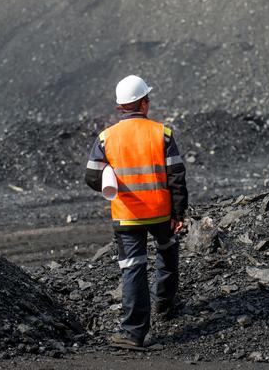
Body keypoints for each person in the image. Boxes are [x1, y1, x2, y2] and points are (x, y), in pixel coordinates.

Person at [85, 74, 188, 349]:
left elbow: (92, 177)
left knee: (133, 268)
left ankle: (134, 333)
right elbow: (177, 176)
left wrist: (109, 174)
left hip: (126, 215)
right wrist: (179, 213)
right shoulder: (162, 134)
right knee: (167, 249)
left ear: (121, 107)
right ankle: (165, 301)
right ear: (144, 104)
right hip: (160, 213)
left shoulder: (106, 138)